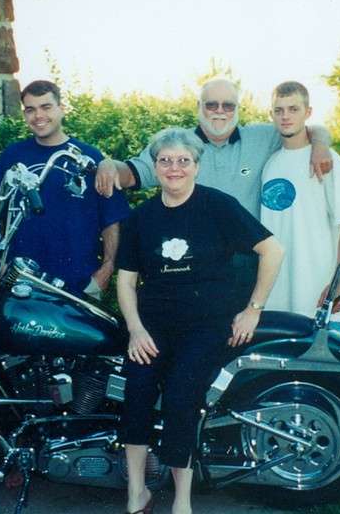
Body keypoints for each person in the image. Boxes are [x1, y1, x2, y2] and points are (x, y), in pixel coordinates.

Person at [116, 128, 284, 514]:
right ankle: (136, 493)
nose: (174, 168)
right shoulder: (141, 218)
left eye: (183, 161)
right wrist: (136, 329)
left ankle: (182, 501)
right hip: (152, 326)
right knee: (136, 393)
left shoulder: (218, 206)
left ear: (196, 165)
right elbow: (126, 281)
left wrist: (253, 308)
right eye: (165, 160)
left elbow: (273, 250)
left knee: (181, 396)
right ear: (155, 166)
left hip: (205, 326)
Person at [96, 78, 330, 299]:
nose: (220, 111)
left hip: (246, 266)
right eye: (211, 105)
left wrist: (320, 145)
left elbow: (308, 128)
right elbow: (130, 174)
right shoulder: (178, 146)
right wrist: (109, 164)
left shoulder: (261, 137)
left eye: (228, 105)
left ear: (237, 109)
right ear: (198, 107)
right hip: (192, 264)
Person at [0, 80, 130, 298]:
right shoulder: (13, 156)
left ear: (62, 109)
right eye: (30, 109)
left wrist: (106, 270)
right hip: (19, 281)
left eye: (46, 107)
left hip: (78, 283)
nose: (38, 115)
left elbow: (111, 219)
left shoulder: (88, 158)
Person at [260, 81, 340, 332]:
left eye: (293, 109)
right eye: (279, 110)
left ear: (308, 112)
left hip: (318, 297)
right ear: (271, 114)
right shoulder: (270, 164)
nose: (285, 116)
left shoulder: (328, 160)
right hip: (276, 299)